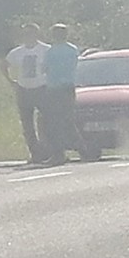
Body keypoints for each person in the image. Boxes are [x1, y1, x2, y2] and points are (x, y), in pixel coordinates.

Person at [4, 29, 52, 161]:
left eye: (31, 34)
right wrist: (10, 81)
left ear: (36, 34)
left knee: (46, 121)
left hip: (42, 88)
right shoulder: (17, 52)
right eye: (26, 34)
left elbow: (52, 66)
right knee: (27, 125)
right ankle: (35, 153)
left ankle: (49, 150)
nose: (28, 37)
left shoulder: (46, 49)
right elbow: (4, 65)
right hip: (24, 90)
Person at [42, 22, 85, 162]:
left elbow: (45, 69)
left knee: (53, 122)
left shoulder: (50, 51)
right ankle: (82, 149)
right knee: (67, 120)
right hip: (68, 87)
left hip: (54, 88)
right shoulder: (73, 50)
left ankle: (59, 153)